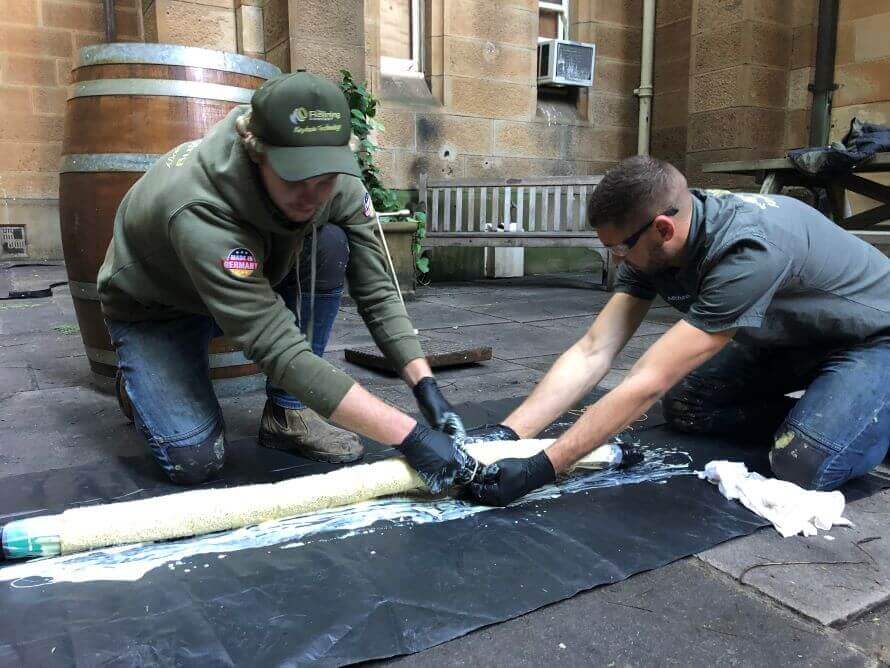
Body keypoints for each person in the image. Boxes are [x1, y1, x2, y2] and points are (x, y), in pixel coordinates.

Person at [98, 71, 475, 490]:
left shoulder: (333, 178)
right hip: (158, 307)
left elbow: (378, 292)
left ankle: (287, 413)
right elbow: (279, 349)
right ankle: (138, 382)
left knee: (330, 241)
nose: (314, 194)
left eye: (325, 179)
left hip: (244, 282)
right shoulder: (200, 206)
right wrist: (413, 438)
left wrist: (428, 392)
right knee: (194, 460)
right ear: (257, 152)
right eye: (296, 177)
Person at [466, 156, 890, 505]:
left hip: (873, 338)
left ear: (663, 230)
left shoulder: (747, 250)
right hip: (798, 338)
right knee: (689, 404)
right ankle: (828, 414)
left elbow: (649, 380)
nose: (615, 260)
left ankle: (852, 423)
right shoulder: (660, 245)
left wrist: (544, 466)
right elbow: (594, 350)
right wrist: (510, 433)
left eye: (618, 248)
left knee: (802, 462)